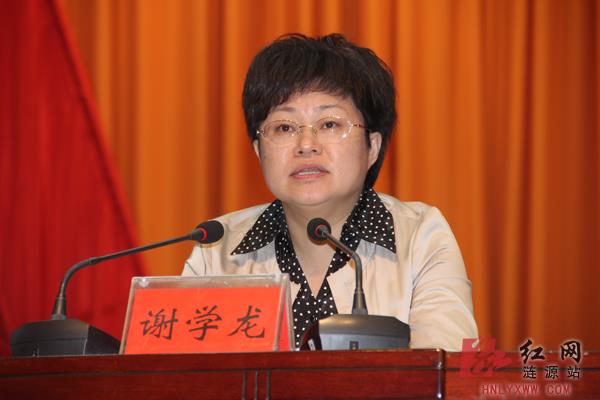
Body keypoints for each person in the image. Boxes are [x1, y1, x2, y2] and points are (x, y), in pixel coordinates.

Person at [182, 33, 478, 350]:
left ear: (372, 146)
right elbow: (179, 368)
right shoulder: (216, 249)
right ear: (258, 150)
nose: (306, 145)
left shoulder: (421, 237)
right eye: (284, 127)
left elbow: (443, 365)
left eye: (330, 124)